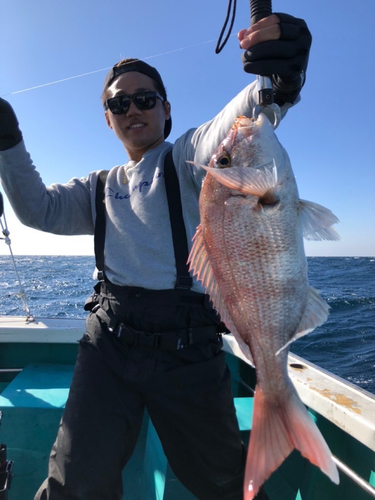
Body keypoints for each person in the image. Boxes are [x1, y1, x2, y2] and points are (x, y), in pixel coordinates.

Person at [0, 13, 311, 500]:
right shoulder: (98, 187)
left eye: (144, 99)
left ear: (166, 109)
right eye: (118, 103)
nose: (132, 109)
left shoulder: (190, 157)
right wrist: (9, 141)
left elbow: (239, 124)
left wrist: (278, 78)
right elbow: (37, 210)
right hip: (108, 342)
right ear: (108, 117)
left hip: (189, 348)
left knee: (222, 481)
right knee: (74, 480)